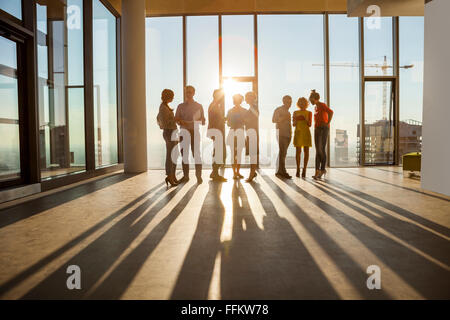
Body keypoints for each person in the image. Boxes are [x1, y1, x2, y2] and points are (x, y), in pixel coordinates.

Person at [175, 85, 205, 184]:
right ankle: (186, 176)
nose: (188, 94)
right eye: (187, 92)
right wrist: (182, 122)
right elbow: (176, 119)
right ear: (185, 93)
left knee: (196, 155)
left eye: (190, 92)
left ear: (194, 93)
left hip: (195, 132)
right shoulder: (180, 106)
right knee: (184, 155)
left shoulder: (199, 106)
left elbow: (203, 121)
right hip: (184, 132)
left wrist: (189, 122)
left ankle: (199, 176)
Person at [156, 89, 179, 187]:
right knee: (170, 156)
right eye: (172, 96)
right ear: (168, 96)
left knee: (174, 155)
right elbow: (164, 122)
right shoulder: (163, 108)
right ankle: (170, 176)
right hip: (169, 132)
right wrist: (175, 120)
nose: (173, 98)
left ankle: (172, 175)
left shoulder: (165, 107)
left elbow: (158, 119)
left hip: (171, 132)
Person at [309, 89, 333, 179]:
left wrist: (327, 123)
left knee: (321, 149)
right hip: (317, 129)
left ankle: (322, 169)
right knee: (317, 150)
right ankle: (317, 171)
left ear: (315, 98)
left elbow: (331, 112)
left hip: (323, 129)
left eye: (310, 99)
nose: (310, 101)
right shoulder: (315, 107)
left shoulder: (322, 105)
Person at [207, 89, 227, 182]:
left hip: (218, 131)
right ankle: (215, 173)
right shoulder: (214, 106)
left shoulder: (215, 105)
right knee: (220, 153)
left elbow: (216, 119)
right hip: (217, 132)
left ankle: (214, 172)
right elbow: (213, 121)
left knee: (219, 152)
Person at [226, 94, 247, 180]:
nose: (235, 101)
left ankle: (237, 172)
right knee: (233, 154)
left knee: (238, 154)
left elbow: (246, 122)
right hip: (233, 132)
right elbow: (228, 123)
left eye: (237, 99)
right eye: (234, 99)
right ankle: (234, 172)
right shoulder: (230, 111)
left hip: (240, 132)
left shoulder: (244, 111)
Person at [272, 95, 293, 179]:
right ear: (283, 102)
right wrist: (283, 118)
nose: (289, 104)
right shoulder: (278, 109)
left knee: (283, 153)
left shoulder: (288, 111)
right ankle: (282, 171)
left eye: (290, 102)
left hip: (288, 134)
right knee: (283, 152)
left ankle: (279, 171)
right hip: (281, 133)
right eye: (288, 102)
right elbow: (273, 120)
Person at [292, 97, 312, 178]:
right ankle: (297, 169)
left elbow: (309, 124)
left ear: (306, 104)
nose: (302, 104)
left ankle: (304, 169)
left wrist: (305, 119)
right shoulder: (295, 112)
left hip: (306, 132)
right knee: (298, 152)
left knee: (306, 151)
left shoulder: (309, 113)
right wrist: (296, 120)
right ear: (298, 104)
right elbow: (293, 124)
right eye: (300, 103)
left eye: (304, 103)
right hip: (298, 132)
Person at [244, 91, 259, 183]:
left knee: (253, 154)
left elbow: (255, 117)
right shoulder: (251, 108)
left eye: (248, 97)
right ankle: (253, 173)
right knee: (252, 153)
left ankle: (252, 174)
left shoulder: (254, 107)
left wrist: (244, 120)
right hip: (250, 132)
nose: (246, 99)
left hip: (252, 132)